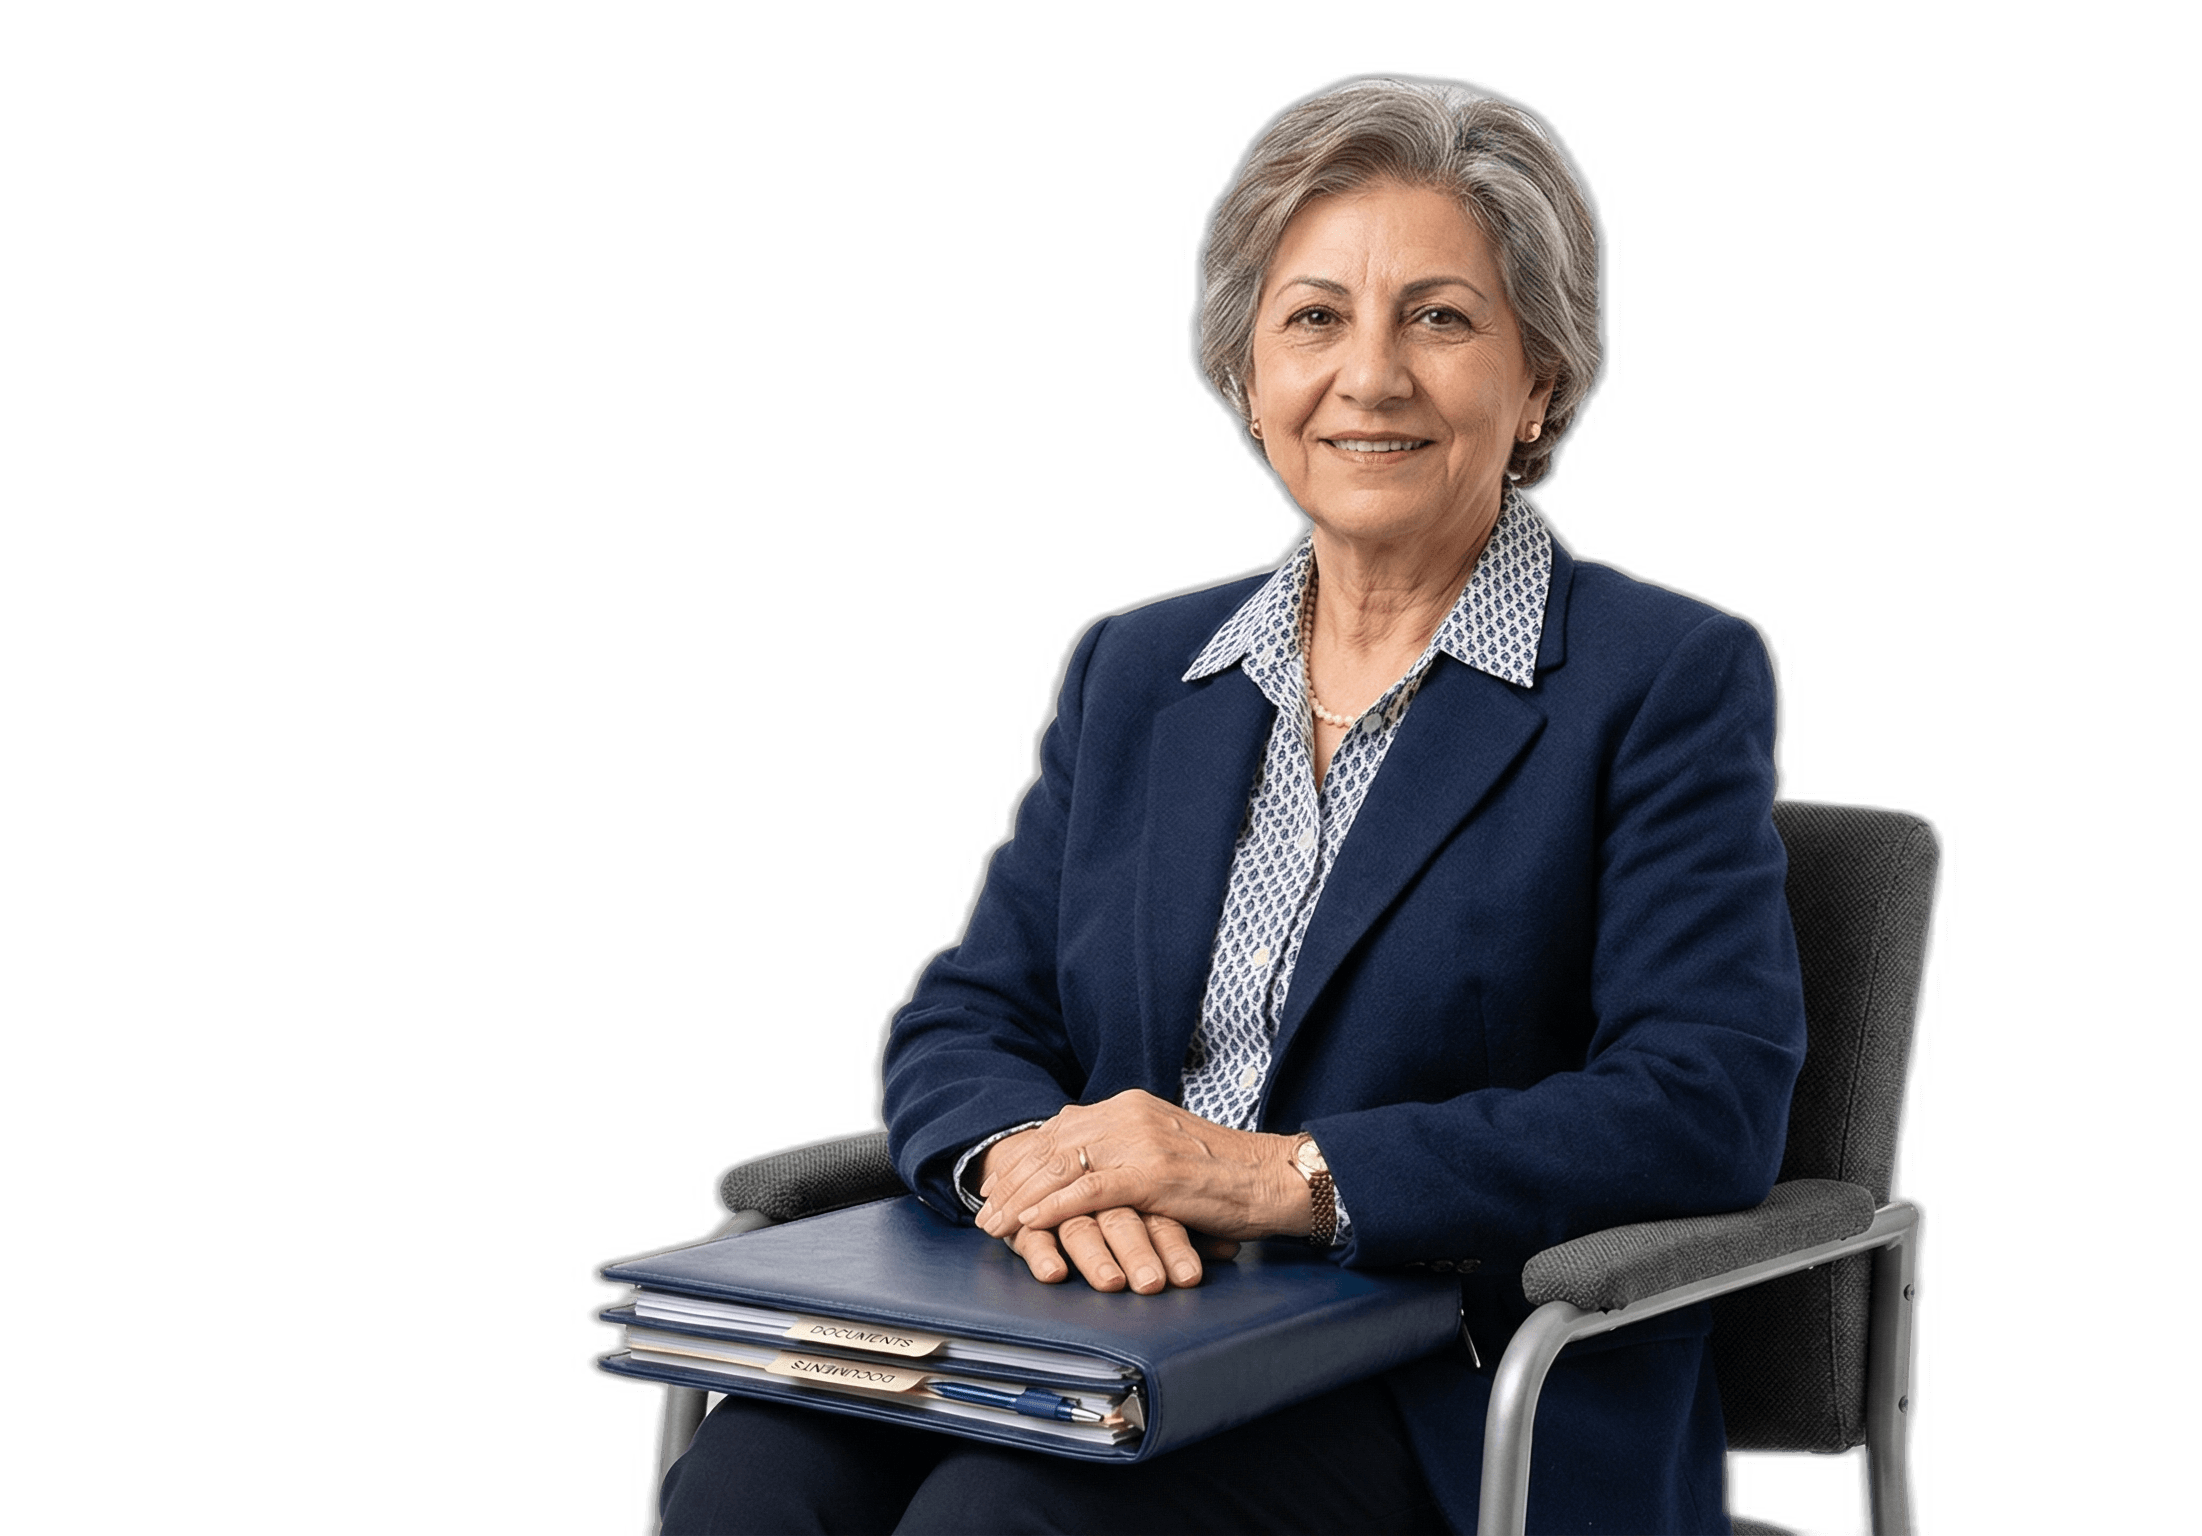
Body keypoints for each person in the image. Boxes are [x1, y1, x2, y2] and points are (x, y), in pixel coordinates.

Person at [660, 73, 1805, 1535]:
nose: (1370, 376)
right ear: (1248, 375)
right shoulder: (1141, 670)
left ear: (1539, 383)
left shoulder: (1664, 678)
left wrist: (1272, 1179)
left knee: (998, 1523)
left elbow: (1699, 1103)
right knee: (748, 1490)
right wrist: (1033, 1162)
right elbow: (968, 1017)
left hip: (1436, 1378)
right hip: (1102, 1321)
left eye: (1440, 318)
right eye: (1315, 318)